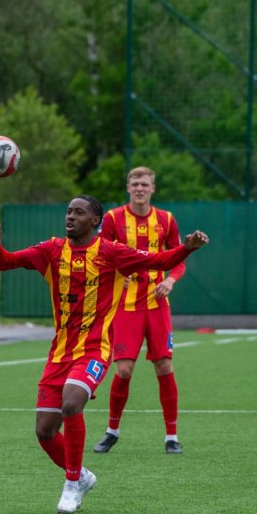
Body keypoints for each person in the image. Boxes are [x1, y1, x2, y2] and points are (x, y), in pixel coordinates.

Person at [0, 196, 208, 514]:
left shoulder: (111, 252)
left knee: (71, 403)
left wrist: (187, 248)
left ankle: (71, 484)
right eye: (68, 211)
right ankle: (82, 476)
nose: (70, 217)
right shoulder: (51, 250)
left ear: (95, 221)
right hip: (59, 353)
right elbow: (4, 262)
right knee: (45, 431)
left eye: (79, 212)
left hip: (94, 350)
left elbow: (159, 261)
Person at [94, 167, 188, 454]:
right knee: (123, 369)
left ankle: (171, 436)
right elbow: (101, 254)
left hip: (157, 305)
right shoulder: (113, 219)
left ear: (152, 189)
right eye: (135, 183)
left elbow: (179, 257)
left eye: (144, 184)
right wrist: (115, 276)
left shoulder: (166, 220)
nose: (139, 188)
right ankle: (112, 431)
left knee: (164, 366)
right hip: (125, 305)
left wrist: (170, 280)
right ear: (128, 187)